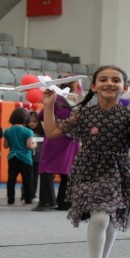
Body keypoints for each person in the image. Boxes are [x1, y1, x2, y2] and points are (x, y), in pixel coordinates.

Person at [42, 65, 130, 258]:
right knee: (102, 217)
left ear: (124, 88)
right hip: (86, 170)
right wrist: (49, 106)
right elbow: (51, 132)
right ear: (94, 86)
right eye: (103, 79)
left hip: (116, 170)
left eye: (116, 80)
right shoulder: (83, 114)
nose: (109, 83)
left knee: (104, 218)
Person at [33, 79, 80, 212]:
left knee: (45, 168)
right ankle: (65, 202)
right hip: (72, 140)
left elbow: (42, 116)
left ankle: (47, 201)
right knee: (68, 171)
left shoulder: (56, 99)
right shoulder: (75, 101)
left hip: (55, 138)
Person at [3, 107, 35, 205]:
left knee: (11, 179)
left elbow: (5, 145)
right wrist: (35, 144)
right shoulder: (28, 131)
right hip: (25, 158)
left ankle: (11, 200)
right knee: (27, 180)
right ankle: (28, 200)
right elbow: (29, 146)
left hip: (12, 157)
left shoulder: (7, 131)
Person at [26, 111, 44, 204]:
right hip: (27, 158)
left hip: (38, 158)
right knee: (27, 177)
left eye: (35, 121)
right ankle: (25, 194)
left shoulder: (42, 133)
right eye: (30, 121)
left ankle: (32, 194)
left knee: (35, 177)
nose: (32, 124)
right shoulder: (27, 131)